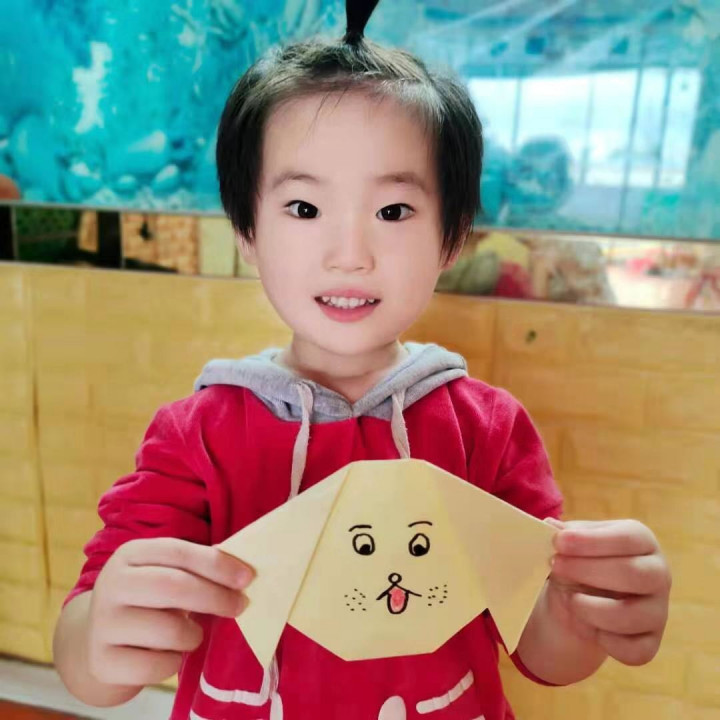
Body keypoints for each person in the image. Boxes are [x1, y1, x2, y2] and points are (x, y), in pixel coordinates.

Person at [53, 2, 671, 718]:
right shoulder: (196, 435)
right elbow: (85, 661)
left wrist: (584, 615)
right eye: (304, 209)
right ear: (247, 230)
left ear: (452, 235)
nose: (349, 255)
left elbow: (540, 649)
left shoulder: (488, 429)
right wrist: (100, 637)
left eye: (394, 212)